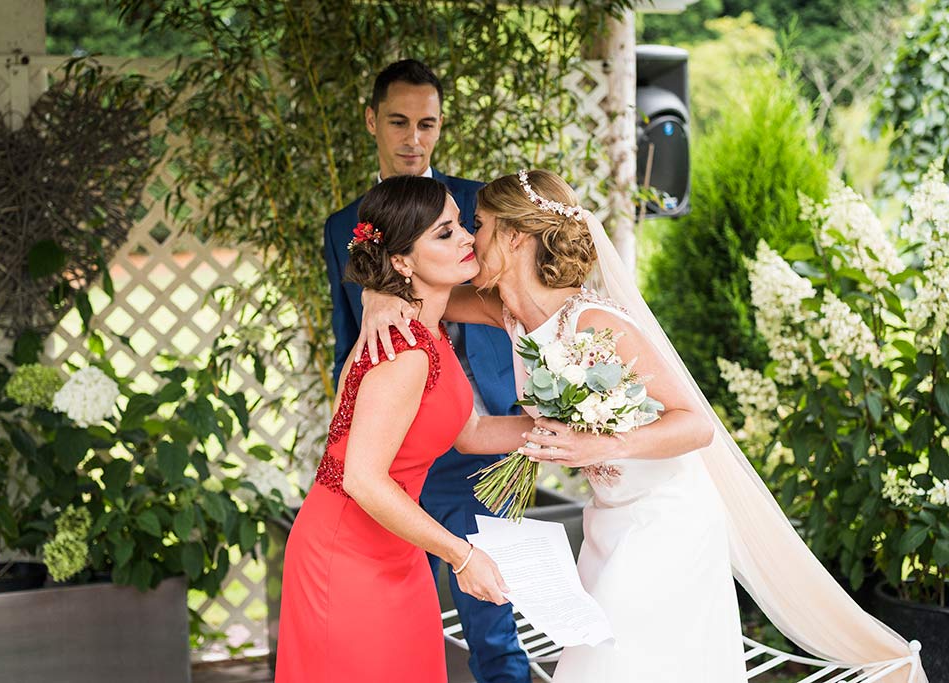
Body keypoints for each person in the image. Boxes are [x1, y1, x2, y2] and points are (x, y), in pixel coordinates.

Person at [356, 170, 929, 683]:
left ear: (514, 237)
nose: (469, 240)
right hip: (608, 520)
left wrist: (595, 441)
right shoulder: (510, 314)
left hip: (667, 520)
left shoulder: (595, 322)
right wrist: (376, 298)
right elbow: (425, 292)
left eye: (477, 225)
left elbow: (696, 425)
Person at [322, 59, 530, 683]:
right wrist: (378, 297)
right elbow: (349, 335)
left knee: (492, 618)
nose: (414, 139)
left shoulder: (475, 204)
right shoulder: (343, 227)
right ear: (371, 122)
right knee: (392, 616)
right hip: (398, 447)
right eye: (399, 122)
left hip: (484, 431)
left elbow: (514, 297)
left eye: (428, 124)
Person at [277, 176, 533, 683]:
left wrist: (556, 434)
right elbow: (362, 479)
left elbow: (471, 433)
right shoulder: (403, 350)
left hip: (398, 547)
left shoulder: (428, 330)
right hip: (345, 553)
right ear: (401, 262)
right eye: (444, 233)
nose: (466, 238)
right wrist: (462, 556)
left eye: (461, 225)